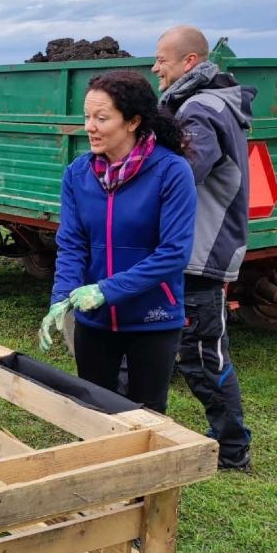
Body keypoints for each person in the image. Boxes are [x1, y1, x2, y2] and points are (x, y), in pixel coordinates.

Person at [39, 69, 196, 414]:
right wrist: (61, 297)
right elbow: (72, 245)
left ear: (132, 121)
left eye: (101, 117)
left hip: (153, 319)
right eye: (87, 117)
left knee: (147, 415)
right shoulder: (78, 174)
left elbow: (173, 253)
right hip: (94, 323)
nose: (89, 127)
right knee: (94, 410)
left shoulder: (172, 172)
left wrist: (105, 290)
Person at [153, 25, 254, 471]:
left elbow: (180, 177)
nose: (155, 67)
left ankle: (232, 450)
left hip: (202, 252)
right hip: (197, 248)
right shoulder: (204, 102)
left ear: (190, 63)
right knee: (192, 349)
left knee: (201, 354)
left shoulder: (200, 111)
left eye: (162, 59)